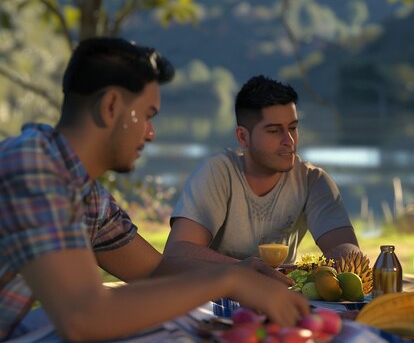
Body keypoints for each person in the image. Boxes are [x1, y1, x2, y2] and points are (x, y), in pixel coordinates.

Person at [0, 38, 308, 342]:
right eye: (147, 115)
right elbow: (83, 317)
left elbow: (155, 270)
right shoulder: (33, 166)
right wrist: (229, 279)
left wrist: (241, 271)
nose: (151, 133)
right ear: (110, 107)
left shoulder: (86, 195)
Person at [165, 75, 360, 268]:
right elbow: (177, 251)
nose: (289, 141)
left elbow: (349, 253)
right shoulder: (218, 172)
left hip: (282, 293)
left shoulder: (312, 180)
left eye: (292, 128)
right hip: (218, 295)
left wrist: (335, 260)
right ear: (243, 137)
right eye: (274, 131)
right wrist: (248, 270)